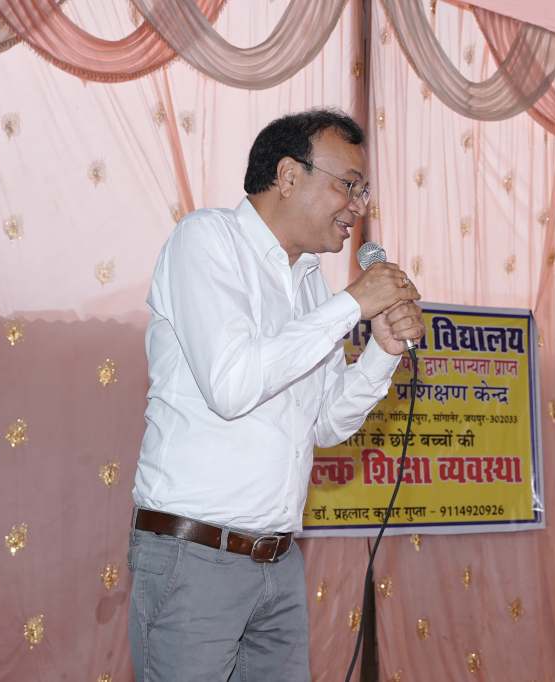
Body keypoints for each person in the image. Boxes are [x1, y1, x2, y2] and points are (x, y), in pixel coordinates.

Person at [127, 109, 424, 681]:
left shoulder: (310, 282)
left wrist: (382, 353)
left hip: (279, 563)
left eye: (363, 191)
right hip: (194, 558)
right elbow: (232, 385)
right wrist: (351, 305)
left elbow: (326, 423)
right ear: (288, 175)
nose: (358, 207)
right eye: (348, 185)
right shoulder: (206, 240)